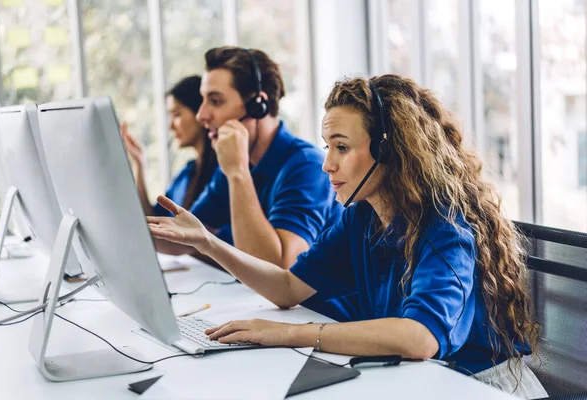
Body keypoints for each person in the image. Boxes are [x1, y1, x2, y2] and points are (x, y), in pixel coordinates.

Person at [147, 74, 547, 398]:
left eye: (341, 147)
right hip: (422, 381)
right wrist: (206, 242)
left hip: (480, 388)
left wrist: (291, 335)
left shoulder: (445, 226)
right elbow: (288, 287)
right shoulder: (362, 218)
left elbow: (420, 337)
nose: (326, 164)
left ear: (390, 152)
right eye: (327, 146)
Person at [169, 46, 342, 269]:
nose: (202, 115)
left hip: (312, 306)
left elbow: (278, 267)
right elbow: (186, 237)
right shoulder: (236, 165)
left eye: (215, 101)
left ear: (257, 106)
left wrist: (237, 172)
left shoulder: (307, 166)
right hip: (267, 303)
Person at [122, 75, 217, 217]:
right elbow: (154, 219)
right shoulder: (186, 174)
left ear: (200, 113)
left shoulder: (220, 176)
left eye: (177, 114)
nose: (170, 126)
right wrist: (139, 163)